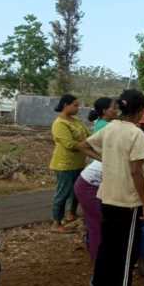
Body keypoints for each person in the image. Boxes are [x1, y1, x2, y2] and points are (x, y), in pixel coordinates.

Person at [77, 89, 144, 286]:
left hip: (107, 199)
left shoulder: (110, 128)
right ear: (141, 110)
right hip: (128, 204)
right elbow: (138, 172)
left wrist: (108, 159)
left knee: (106, 251)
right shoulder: (136, 134)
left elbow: (83, 145)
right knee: (126, 257)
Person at [74, 136, 144, 263]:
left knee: (103, 223)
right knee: (98, 225)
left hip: (97, 186)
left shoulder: (142, 153)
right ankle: (100, 262)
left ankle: (103, 255)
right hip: (89, 186)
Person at [49, 94, 90, 233]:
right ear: (66, 105)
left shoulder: (76, 121)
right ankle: (56, 223)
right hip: (64, 164)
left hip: (78, 163)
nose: (78, 108)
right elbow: (69, 144)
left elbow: (88, 134)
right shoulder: (59, 123)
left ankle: (70, 214)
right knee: (63, 193)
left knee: (76, 191)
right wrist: (90, 147)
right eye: (75, 105)